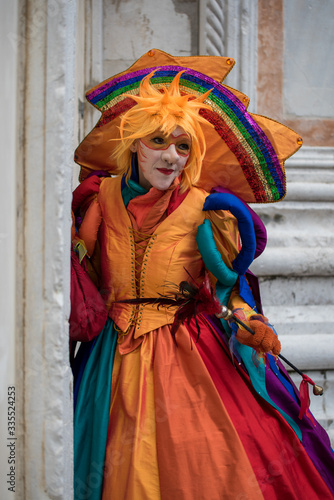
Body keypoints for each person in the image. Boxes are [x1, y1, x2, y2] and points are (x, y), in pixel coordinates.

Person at [70, 50, 334, 500]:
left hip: (186, 351)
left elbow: (230, 291)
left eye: (183, 145)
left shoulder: (208, 211)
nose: (171, 156)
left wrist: (248, 320)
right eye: (158, 140)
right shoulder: (99, 200)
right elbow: (81, 282)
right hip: (107, 358)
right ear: (133, 141)